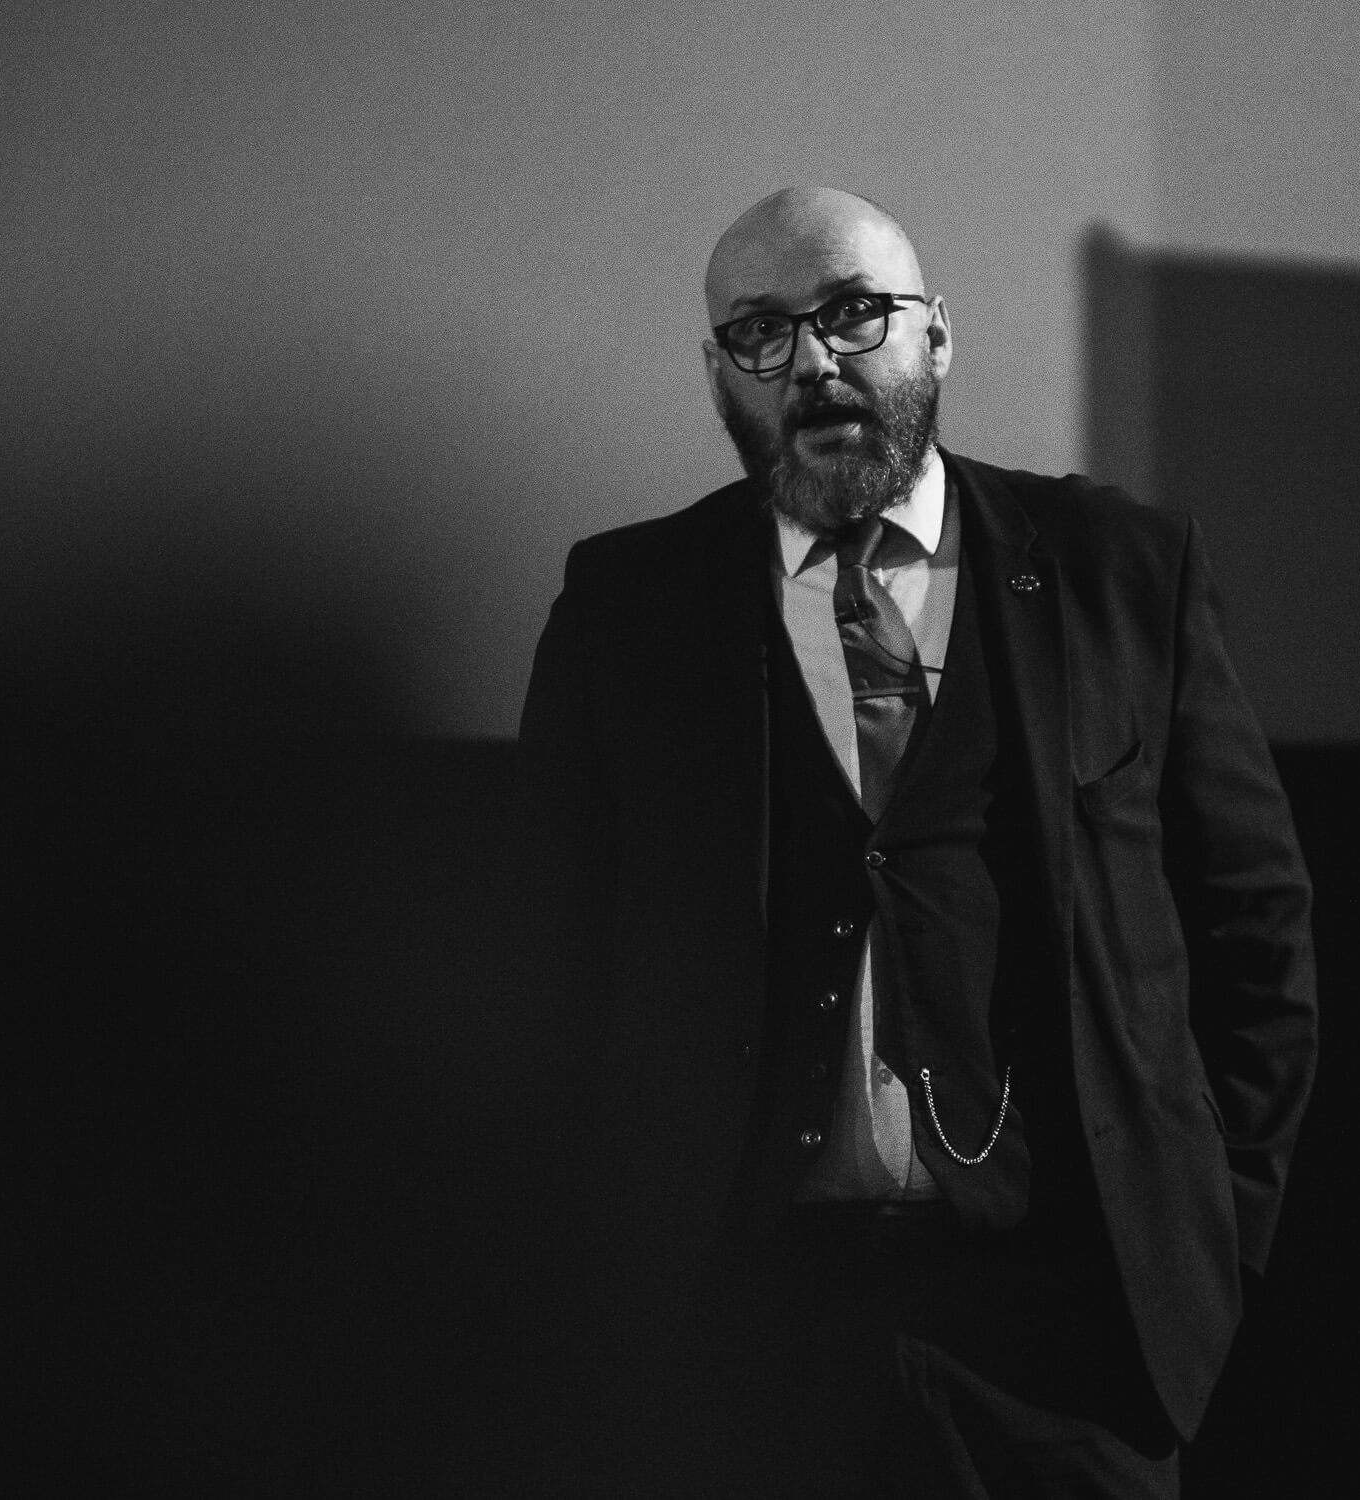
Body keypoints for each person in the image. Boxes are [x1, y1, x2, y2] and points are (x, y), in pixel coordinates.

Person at [513, 186, 1316, 1498]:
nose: (815, 362)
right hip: (738, 1335)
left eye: (851, 314)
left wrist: (1208, 1243)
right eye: (762, 333)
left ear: (935, 338)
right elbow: (544, 955)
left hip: (1058, 1335)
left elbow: (1254, 932)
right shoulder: (627, 605)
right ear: (720, 374)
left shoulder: (1118, 570)